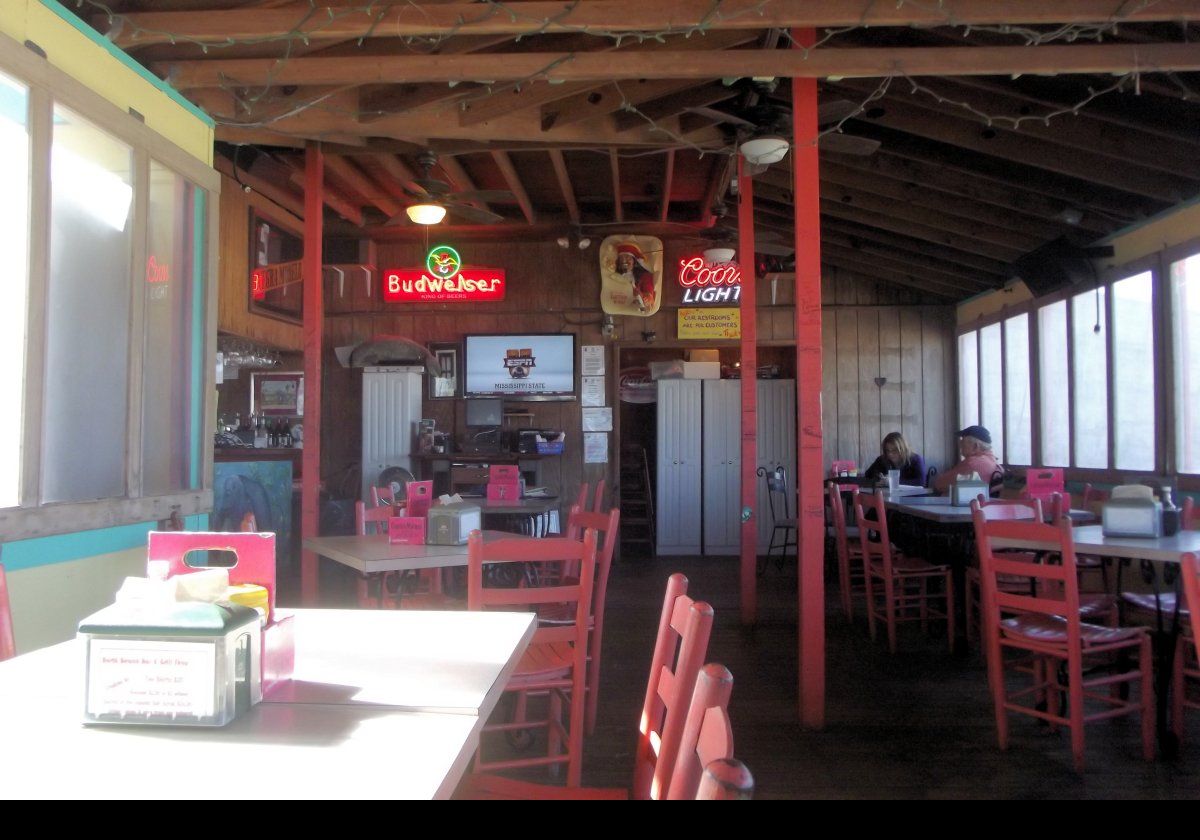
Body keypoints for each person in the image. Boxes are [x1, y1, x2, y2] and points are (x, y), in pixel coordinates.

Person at [932, 425, 1002, 493]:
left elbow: (939, 484)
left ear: (975, 446)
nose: (960, 445)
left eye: (963, 442)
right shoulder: (992, 461)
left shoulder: (973, 463)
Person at [614, 242, 656, 313]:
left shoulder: (644, 276)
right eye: (621, 259)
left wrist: (647, 298)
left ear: (634, 261)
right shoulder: (614, 277)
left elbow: (648, 294)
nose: (624, 261)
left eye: (627, 258)